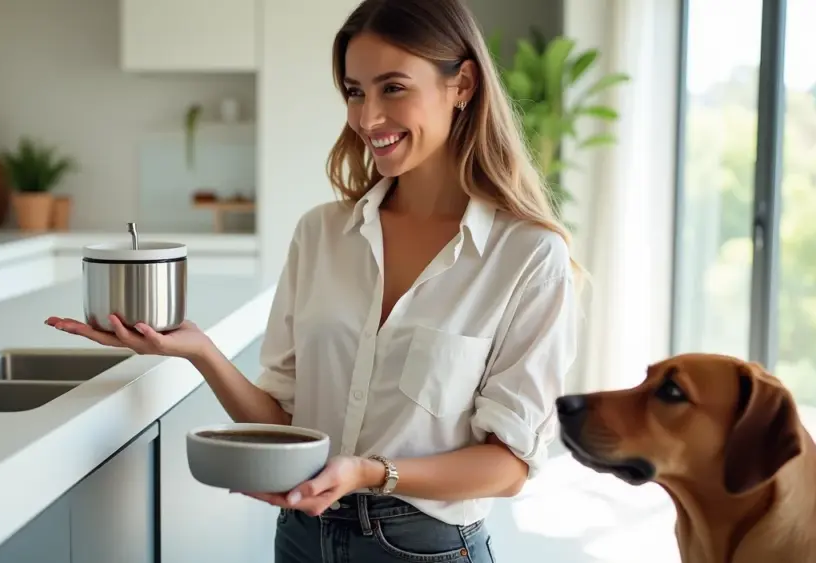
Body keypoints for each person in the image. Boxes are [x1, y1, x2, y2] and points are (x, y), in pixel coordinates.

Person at [46, 0, 581, 560]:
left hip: (427, 548)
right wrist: (200, 351)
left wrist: (372, 473)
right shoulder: (321, 235)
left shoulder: (527, 256)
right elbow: (282, 422)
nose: (367, 117)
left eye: (393, 88)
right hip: (304, 539)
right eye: (354, 91)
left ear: (462, 84)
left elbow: (509, 466)